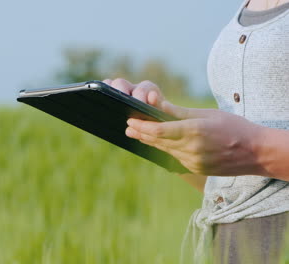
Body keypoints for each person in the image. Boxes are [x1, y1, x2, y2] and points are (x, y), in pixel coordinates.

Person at [105, 0, 289, 263]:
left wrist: (252, 147)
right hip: (227, 246)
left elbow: (250, 151)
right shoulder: (245, 10)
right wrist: (164, 135)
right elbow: (240, 184)